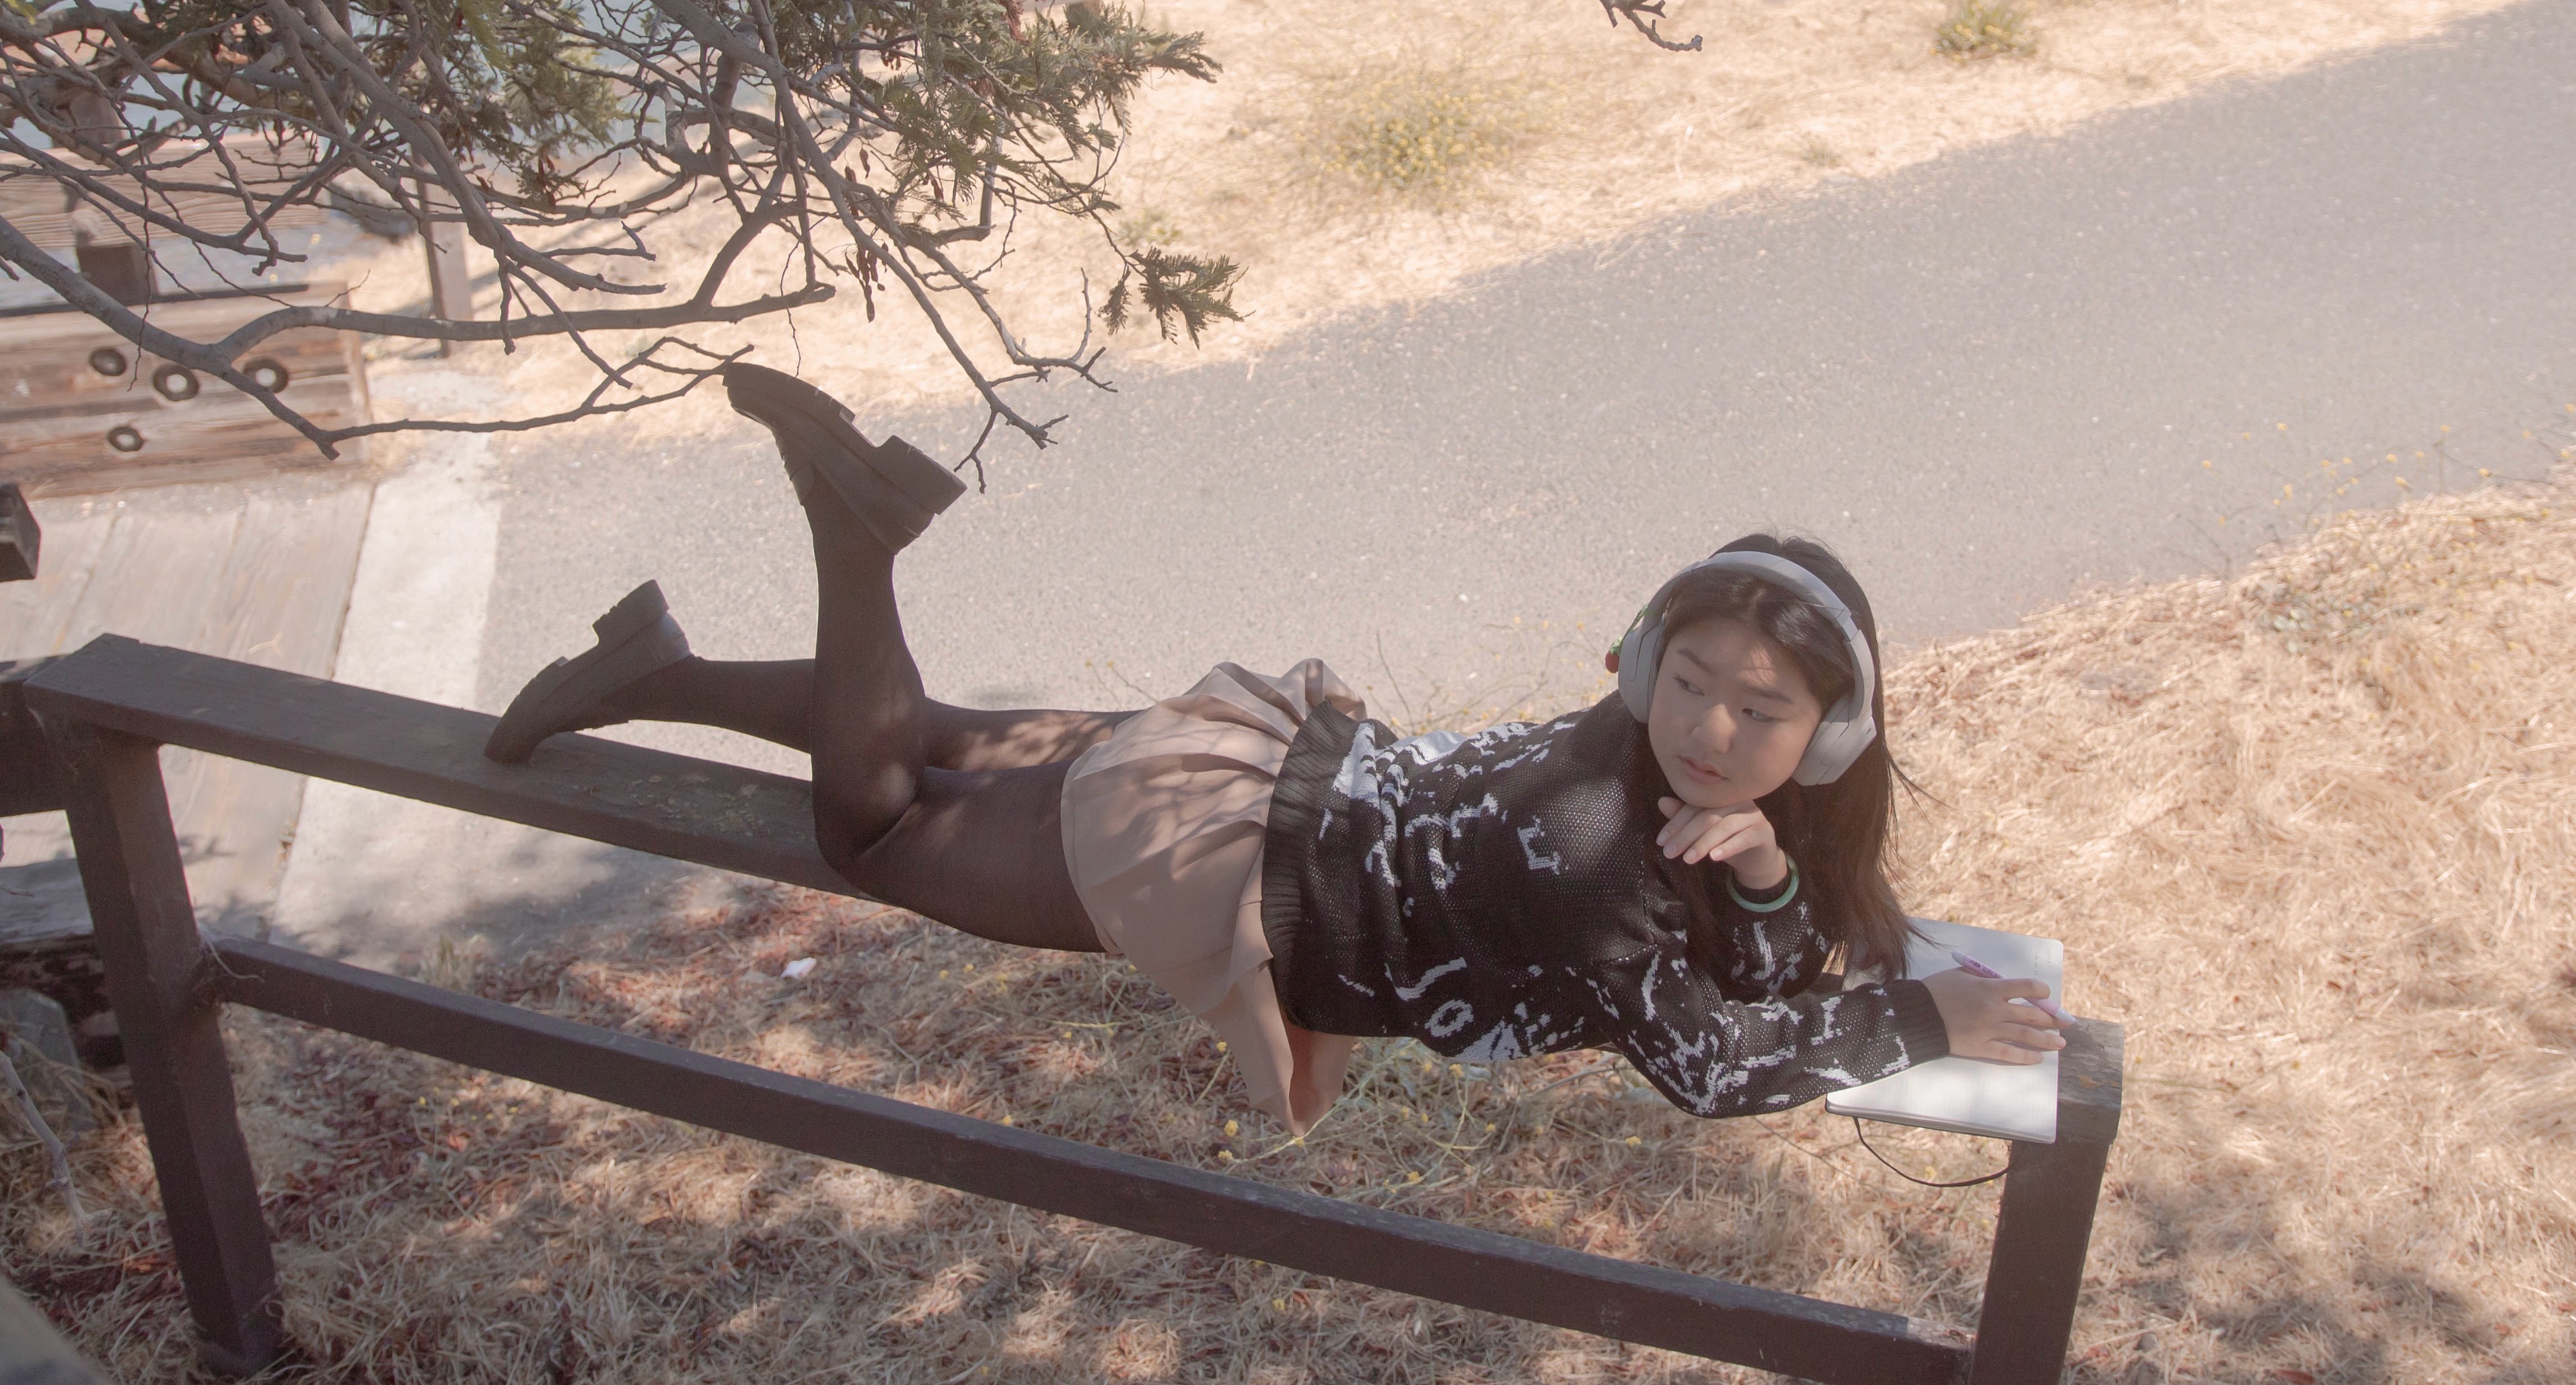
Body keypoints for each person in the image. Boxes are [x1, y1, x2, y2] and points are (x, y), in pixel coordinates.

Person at [487, 363, 2065, 1133]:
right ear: (1650, 662)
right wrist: (1920, 1014)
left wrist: (1772, 874)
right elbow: (1711, 1069)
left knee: (940, 738)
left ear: (1826, 734)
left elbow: (1756, 977)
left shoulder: (1642, 762)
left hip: (1259, 764)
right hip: (1220, 859)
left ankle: (654, 671)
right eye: (1695, 682)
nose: (1712, 728)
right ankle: (854, 542)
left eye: (1761, 710)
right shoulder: (1603, 858)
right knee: (882, 830)